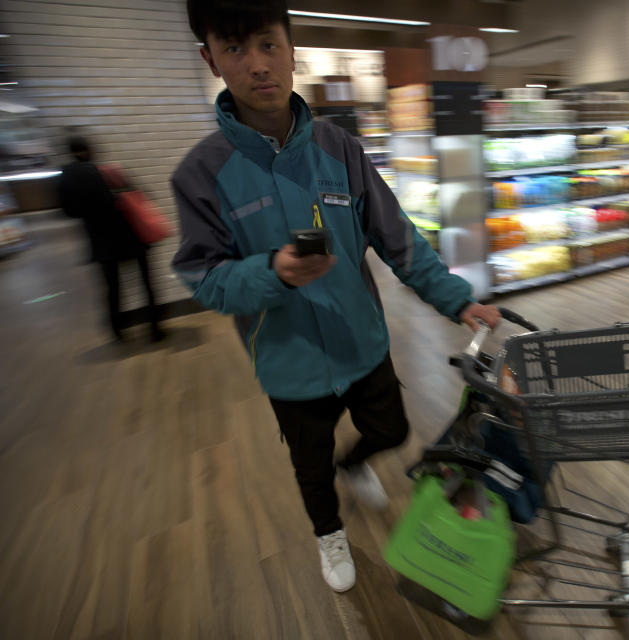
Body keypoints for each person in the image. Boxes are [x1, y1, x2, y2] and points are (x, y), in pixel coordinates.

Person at [174, 0, 501, 593]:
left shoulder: (339, 149)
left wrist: (457, 299)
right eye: (236, 49)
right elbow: (204, 277)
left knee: (393, 431)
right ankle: (329, 534)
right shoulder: (202, 173)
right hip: (287, 361)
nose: (257, 65)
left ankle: (356, 463)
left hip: (362, 341)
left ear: (292, 50)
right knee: (309, 465)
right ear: (211, 60)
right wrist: (272, 273)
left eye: (269, 44)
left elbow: (399, 239)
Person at [59, 136, 164, 343]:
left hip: (102, 243)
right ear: (90, 150)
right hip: (130, 238)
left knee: (112, 289)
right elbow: (142, 195)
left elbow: (68, 212)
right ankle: (154, 329)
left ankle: (118, 332)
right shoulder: (106, 172)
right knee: (146, 284)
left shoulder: (66, 178)